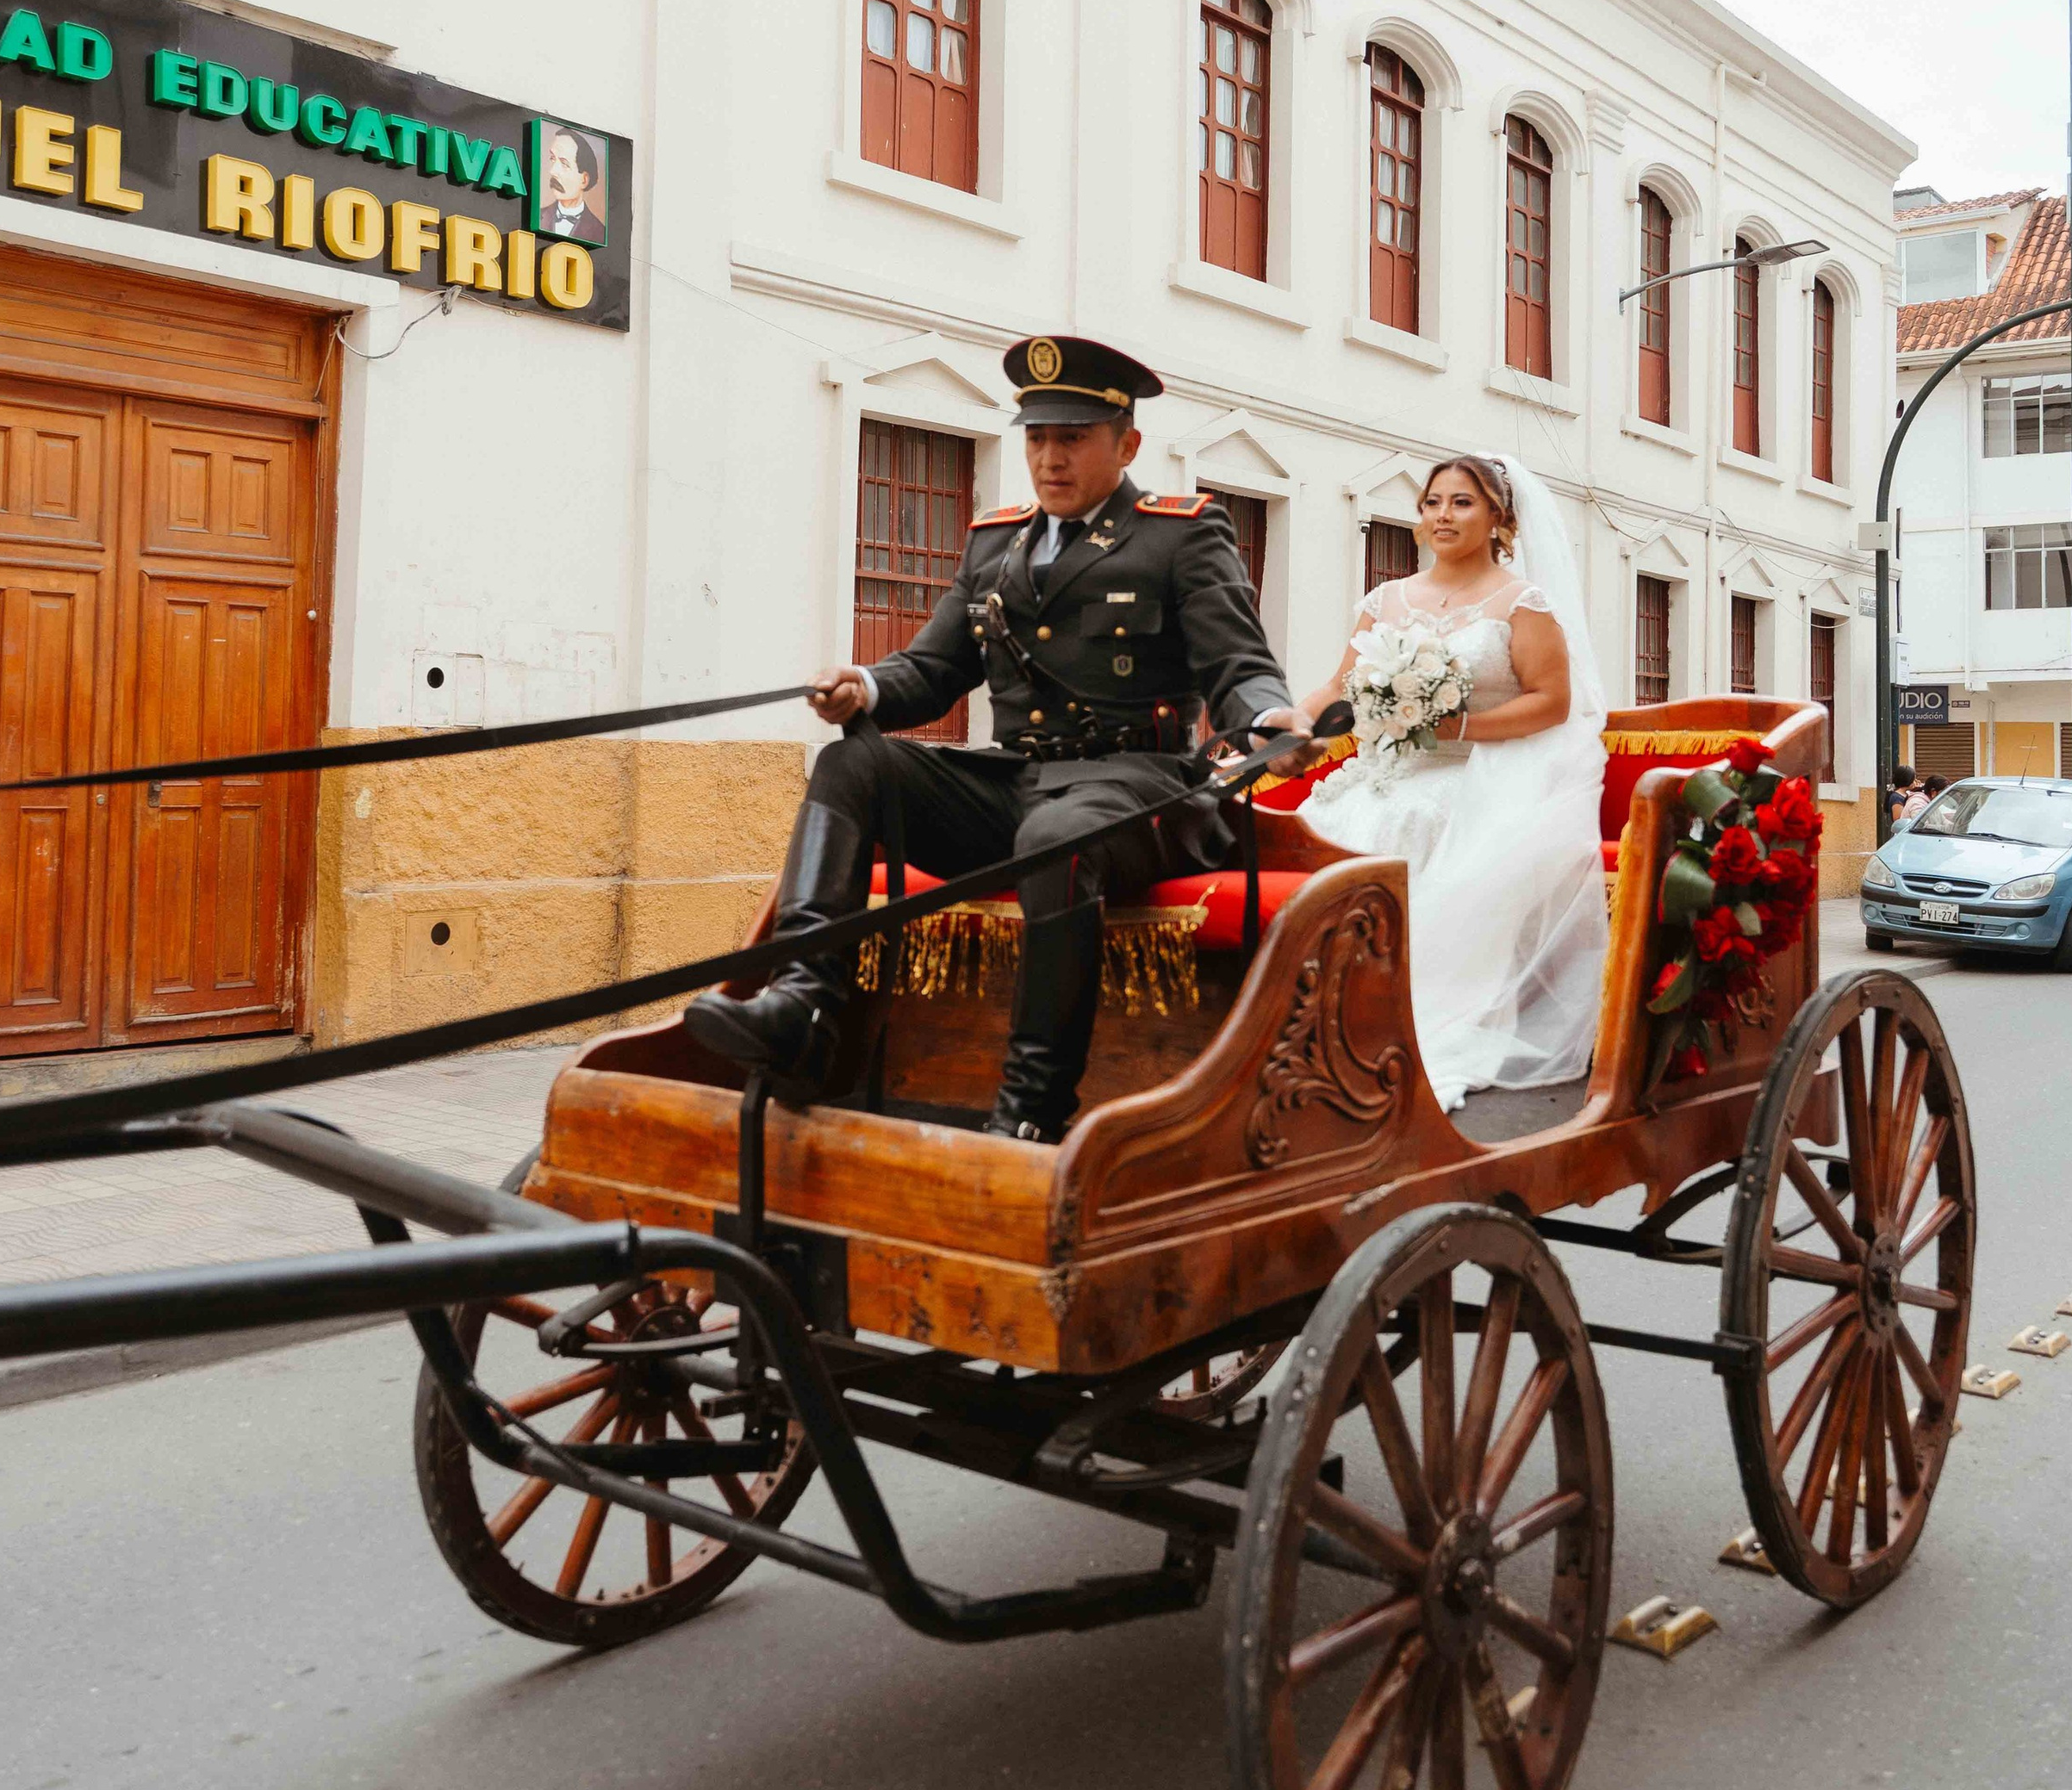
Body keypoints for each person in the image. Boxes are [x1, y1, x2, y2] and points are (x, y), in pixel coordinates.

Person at [686, 336, 1310, 1141]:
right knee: (853, 766)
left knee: (1057, 836)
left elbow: (1239, 664)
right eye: (1038, 438)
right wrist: (864, 687)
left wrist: (1268, 717)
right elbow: (934, 668)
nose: (1050, 459)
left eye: (1073, 438)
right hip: (1016, 780)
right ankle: (805, 1003)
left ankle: (1030, 1111)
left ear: (1127, 444)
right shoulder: (996, 542)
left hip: (1139, 788)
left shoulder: (1182, 534)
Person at [1297, 452, 1607, 1112]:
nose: (1444, 515)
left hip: (1473, 774)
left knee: (1412, 823)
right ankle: (1313, 1019)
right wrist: (1297, 723)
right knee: (1322, 831)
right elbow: (1339, 687)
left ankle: (1396, 1026)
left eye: (1462, 502)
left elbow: (1552, 700)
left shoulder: (1522, 603)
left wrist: (1461, 730)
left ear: (1498, 517)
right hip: (1383, 771)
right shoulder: (1386, 599)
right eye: (1434, 501)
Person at [542, 126, 606, 245]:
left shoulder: (600, 232)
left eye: (564, 164)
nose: (553, 171)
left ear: (584, 180)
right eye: (552, 159)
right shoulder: (539, 216)